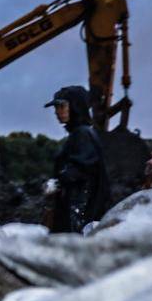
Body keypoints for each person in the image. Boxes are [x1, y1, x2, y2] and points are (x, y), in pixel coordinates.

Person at [44, 85, 110, 233]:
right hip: (77, 210)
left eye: (61, 106)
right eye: (56, 107)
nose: (56, 112)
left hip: (79, 212)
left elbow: (80, 170)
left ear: (75, 106)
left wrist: (57, 182)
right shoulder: (79, 134)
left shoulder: (82, 135)